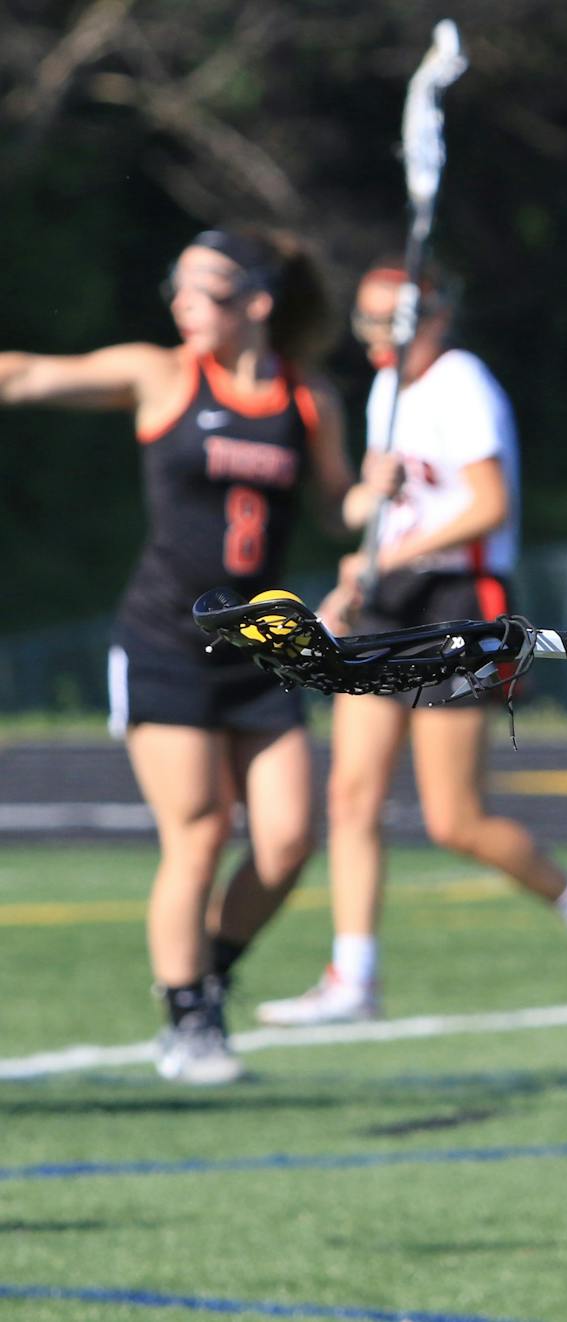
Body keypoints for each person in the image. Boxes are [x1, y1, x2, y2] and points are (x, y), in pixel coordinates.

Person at [255, 261, 567, 1030]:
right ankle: (354, 974)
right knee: (352, 793)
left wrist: (393, 552)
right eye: (364, 322)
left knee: (455, 819)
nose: (373, 338)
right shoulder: (384, 390)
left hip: (459, 603)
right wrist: (371, 506)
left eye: (387, 322)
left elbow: (488, 507)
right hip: (389, 601)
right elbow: (367, 515)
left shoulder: (462, 382)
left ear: (430, 318)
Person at [0, 228, 353, 1083]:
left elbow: (343, 511)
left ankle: (210, 976)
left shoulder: (309, 400)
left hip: (262, 647)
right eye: (179, 290)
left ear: (256, 305)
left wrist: (383, 493)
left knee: (288, 841)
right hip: (165, 640)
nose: (183, 306)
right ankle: (187, 1017)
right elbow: (26, 373)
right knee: (197, 833)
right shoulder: (163, 374)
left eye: (206, 293)